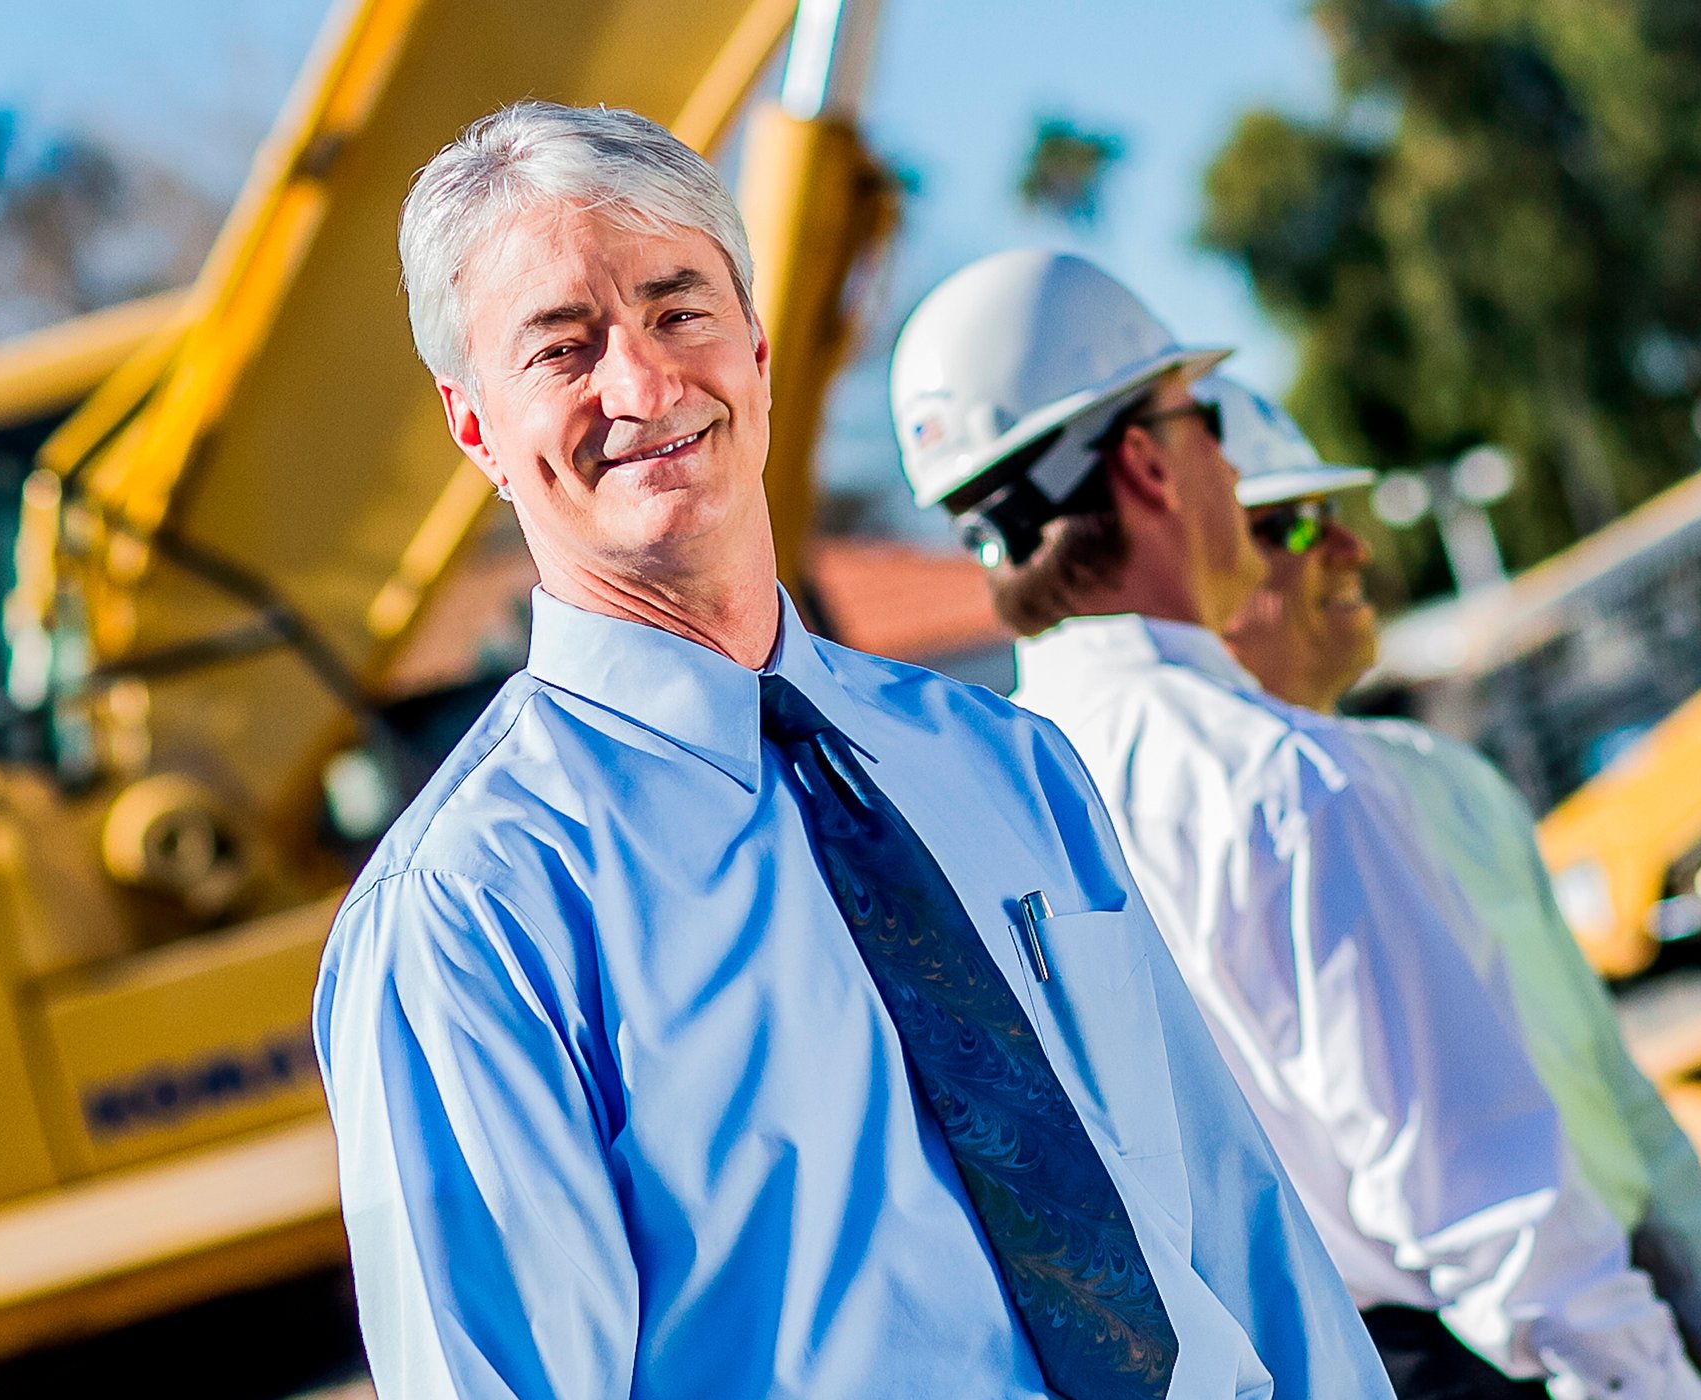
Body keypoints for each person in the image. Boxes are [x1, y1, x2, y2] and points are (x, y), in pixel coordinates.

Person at [313, 102, 1392, 1400]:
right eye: (563, 347)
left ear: (759, 350)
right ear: (475, 426)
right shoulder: (473, 914)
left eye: (677, 310)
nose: (645, 384)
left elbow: (1234, 1213)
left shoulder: (1004, 765)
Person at [890, 247, 1701, 1400]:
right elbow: (1483, 1198)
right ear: (1147, 463)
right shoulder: (1276, 778)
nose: (1229, 466)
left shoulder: (963, 808)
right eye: (1206, 425)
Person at [1202, 375, 1701, 1400]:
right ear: (1195, 565)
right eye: (1290, 527)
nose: (1349, 550)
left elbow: (1606, 1087)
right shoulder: (1184, 841)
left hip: (1620, 1334)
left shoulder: (1448, 784)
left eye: (1332, 518)